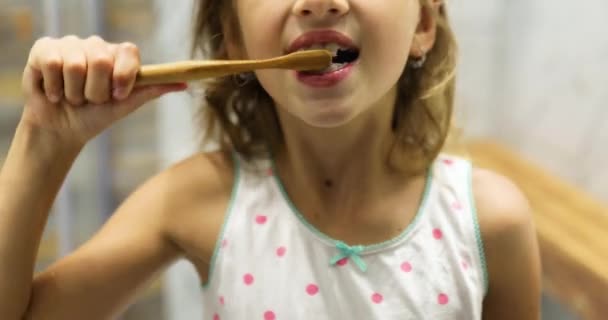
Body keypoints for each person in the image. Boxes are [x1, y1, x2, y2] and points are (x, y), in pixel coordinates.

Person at [0, 0, 541, 319]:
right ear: (233, 34)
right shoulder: (194, 201)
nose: (318, 0)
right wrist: (44, 141)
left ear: (424, 20)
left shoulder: (489, 223)